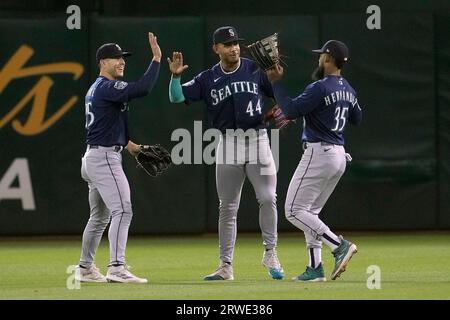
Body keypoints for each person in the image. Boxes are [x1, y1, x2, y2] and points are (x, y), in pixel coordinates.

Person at [167, 26, 284, 280]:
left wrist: (275, 77)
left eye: (236, 43)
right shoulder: (207, 78)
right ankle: (225, 266)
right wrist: (175, 77)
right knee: (227, 207)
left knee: (267, 197)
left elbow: (278, 95)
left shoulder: (254, 68)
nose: (234, 48)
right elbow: (176, 98)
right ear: (216, 48)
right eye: (228, 44)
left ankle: (271, 252)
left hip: (258, 141)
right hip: (228, 144)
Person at [266, 40, 362, 281]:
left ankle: (338, 245)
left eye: (321, 55)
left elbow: (289, 111)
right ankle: (315, 268)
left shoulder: (319, 88)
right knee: (310, 213)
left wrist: (276, 83)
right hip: (339, 156)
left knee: (292, 210)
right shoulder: (348, 88)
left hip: (319, 153)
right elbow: (357, 118)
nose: (318, 59)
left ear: (328, 59)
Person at [75, 33, 161, 284]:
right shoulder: (108, 87)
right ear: (103, 62)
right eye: (115, 58)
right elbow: (143, 88)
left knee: (99, 217)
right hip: (103, 158)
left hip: (93, 156)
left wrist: (130, 145)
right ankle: (116, 267)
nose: (121, 62)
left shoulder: (96, 89)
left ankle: (85, 268)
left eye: (123, 58)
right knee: (122, 210)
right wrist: (156, 59)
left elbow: (108, 123)